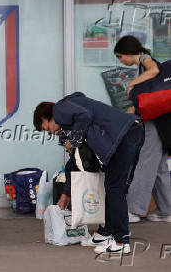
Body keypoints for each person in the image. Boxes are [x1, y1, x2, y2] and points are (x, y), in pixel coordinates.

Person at [33, 93, 144, 254]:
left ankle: (121, 242)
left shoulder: (59, 109)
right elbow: (74, 163)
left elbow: (85, 114)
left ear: (46, 116)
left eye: (46, 127)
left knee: (115, 188)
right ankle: (106, 233)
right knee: (113, 187)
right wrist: (66, 194)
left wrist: (75, 139)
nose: (50, 133)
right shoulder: (72, 121)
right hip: (130, 132)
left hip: (124, 135)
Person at [114, 35, 171, 223]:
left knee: (145, 163)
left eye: (120, 56)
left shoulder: (145, 59)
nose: (120, 60)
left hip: (154, 123)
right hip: (160, 121)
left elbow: (154, 69)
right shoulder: (141, 64)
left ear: (129, 53)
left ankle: (134, 210)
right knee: (160, 167)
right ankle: (166, 210)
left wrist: (133, 83)